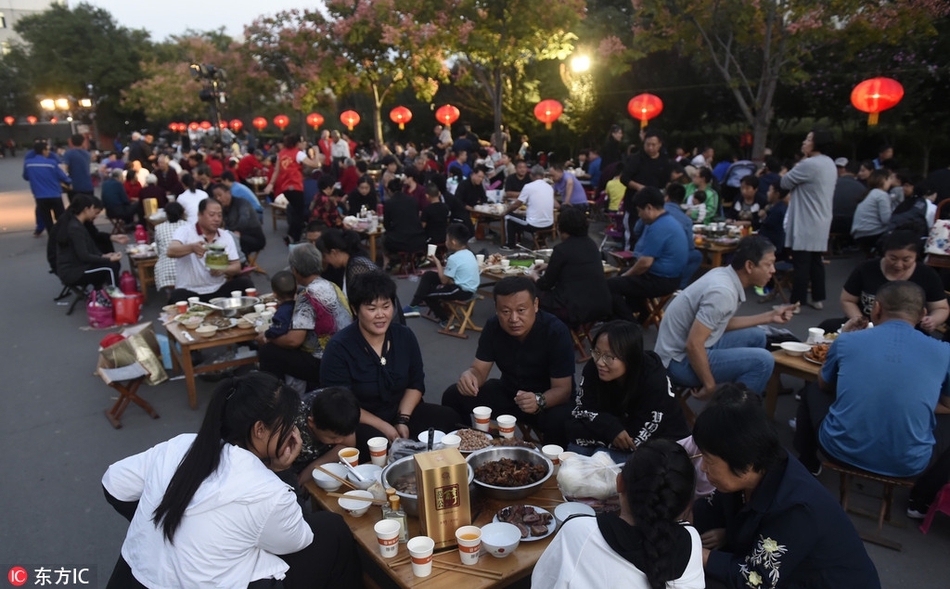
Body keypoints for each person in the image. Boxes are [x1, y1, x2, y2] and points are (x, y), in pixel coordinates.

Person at [101, 372, 363, 589]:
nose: (293, 433)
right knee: (331, 528)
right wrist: (282, 471)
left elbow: (114, 483)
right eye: (287, 425)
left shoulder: (182, 444)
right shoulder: (266, 489)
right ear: (260, 429)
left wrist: (156, 521)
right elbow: (298, 541)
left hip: (133, 576)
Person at [692, 384, 880, 589]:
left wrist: (697, 554)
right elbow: (710, 510)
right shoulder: (756, 469)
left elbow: (755, 580)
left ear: (745, 463)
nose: (703, 467)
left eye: (709, 461)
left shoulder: (795, 508)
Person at [794, 282, 950, 507]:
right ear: (922, 314)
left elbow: (825, 385)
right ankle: (920, 500)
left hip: (838, 450)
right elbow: (947, 404)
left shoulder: (848, 340)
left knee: (812, 388)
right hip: (910, 465)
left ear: (876, 309)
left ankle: (807, 461)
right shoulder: (944, 352)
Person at [320, 271, 460, 454]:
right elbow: (341, 405)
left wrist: (402, 420)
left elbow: (415, 383)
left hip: (404, 410)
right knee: (378, 445)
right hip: (362, 419)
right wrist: (385, 426)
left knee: (448, 418)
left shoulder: (404, 336)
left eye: (386, 306)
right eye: (371, 309)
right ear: (355, 309)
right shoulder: (339, 347)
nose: (381, 315)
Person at [533, 439, 702, 589]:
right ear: (686, 504)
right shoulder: (692, 541)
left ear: (619, 482)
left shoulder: (579, 531)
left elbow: (543, 582)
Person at [441, 277, 576, 445]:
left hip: (547, 400)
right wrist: (470, 376)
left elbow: (563, 389)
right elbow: (479, 370)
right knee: (454, 395)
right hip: (510, 393)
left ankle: (550, 462)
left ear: (535, 305)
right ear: (496, 309)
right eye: (505, 311)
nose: (513, 319)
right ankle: (467, 446)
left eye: (521, 310)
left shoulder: (555, 331)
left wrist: (539, 400)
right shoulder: (493, 326)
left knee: (560, 419)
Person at [655, 236, 794, 397]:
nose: (773, 270)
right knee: (763, 361)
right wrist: (709, 385)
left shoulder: (724, 274)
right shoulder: (722, 292)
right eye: (768, 264)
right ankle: (734, 409)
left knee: (757, 336)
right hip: (677, 363)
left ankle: (738, 394)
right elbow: (693, 344)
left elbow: (718, 324)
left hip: (685, 349)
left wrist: (770, 316)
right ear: (749, 266)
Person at [567, 321, 690, 462]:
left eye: (609, 357)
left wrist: (600, 429)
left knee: (600, 458)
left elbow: (634, 440)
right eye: (597, 352)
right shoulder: (594, 369)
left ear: (630, 357)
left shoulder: (654, 381)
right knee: (575, 452)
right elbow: (581, 413)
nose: (600, 362)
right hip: (611, 432)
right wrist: (610, 428)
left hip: (660, 447)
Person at [817, 231, 948, 334]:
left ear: (916, 257)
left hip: (909, 333)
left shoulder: (927, 274)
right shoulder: (866, 269)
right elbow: (847, 300)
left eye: (906, 260)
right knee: (826, 328)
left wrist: (934, 320)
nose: (898, 265)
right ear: (885, 253)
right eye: (893, 258)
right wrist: (860, 321)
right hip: (865, 329)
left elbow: (941, 308)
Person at [259, 247, 352, 391]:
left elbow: (293, 341)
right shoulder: (331, 285)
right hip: (345, 353)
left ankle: (275, 397)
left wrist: (268, 338)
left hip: (325, 362)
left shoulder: (307, 296)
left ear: (295, 271)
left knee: (268, 352)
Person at [608, 187, 688, 322]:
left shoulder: (658, 227)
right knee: (625, 275)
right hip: (672, 277)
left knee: (611, 285)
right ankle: (642, 314)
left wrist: (627, 275)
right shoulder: (668, 221)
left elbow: (645, 263)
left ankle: (628, 322)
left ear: (649, 208)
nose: (639, 215)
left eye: (639, 211)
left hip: (662, 280)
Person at [781, 128, 837, 309]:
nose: (804, 142)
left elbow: (784, 182)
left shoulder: (809, 164)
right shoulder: (829, 163)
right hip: (822, 218)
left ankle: (796, 302)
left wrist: (799, 164)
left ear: (816, 143)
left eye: (808, 139)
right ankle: (817, 298)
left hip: (806, 220)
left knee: (801, 263)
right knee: (815, 261)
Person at [529, 206, 611, 326]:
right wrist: (548, 265)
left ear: (561, 227)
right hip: (600, 305)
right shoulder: (591, 244)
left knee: (530, 290)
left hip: (573, 310)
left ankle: (540, 330)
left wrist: (533, 276)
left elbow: (545, 284)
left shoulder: (561, 249)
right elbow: (577, 264)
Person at [166, 198, 253, 303]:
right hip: (191, 292)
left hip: (218, 289)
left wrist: (223, 269)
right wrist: (191, 248)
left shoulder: (226, 236)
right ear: (199, 215)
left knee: (244, 283)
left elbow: (237, 266)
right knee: (177, 296)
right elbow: (171, 251)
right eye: (212, 215)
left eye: (219, 215)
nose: (216, 219)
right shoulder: (185, 231)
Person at [403, 223, 480, 326]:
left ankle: (445, 320)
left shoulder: (454, 258)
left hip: (462, 291)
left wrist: (437, 262)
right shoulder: (469, 253)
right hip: (464, 285)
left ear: (453, 241)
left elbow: (444, 280)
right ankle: (414, 306)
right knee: (429, 275)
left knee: (427, 295)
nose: (445, 242)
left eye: (447, 239)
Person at [292, 387, 360, 484]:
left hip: (321, 463)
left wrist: (310, 470)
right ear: (311, 423)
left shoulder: (339, 406)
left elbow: (348, 445)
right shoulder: (292, 426)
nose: (340, 440)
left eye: (344, 435)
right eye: (333, 438)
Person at [53, 195, 122, 289]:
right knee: (110, 267)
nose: (94, 213)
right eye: (93, 209)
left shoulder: (77, 224)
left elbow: (89, 249)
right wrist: (107, 259)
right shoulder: (75, 228)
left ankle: (101, 291)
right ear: (86, 209)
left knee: (112, 264)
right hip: (74, 271)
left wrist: (103, 256)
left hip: (78, 267)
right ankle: (114, 294)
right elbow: (84, 256)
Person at [266, 134, 322, 243]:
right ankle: (293, 237)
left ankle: (292, 236)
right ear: (297, 143)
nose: (303, 144)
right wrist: (317, 152)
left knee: (295, 211)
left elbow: (276, 171)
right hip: (296, 186)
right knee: (299, 214)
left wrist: (271, 184)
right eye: (302, 142)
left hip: (285, 187)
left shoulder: (281, 153)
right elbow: (315, 165)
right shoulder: (298, 154)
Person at [502, 165, 558, 250]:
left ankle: (510, 245)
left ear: (531, 175)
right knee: (519, 218)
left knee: (508, 216)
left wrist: (505, 211)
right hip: (549, 224)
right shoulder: (549, 187)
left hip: (533, 225)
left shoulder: (528, 186)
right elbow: (556, 205)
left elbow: (517, 205)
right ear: (543, 175)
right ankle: (540, 242)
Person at [24, 140, 71, 240]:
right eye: (48, 150)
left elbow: (26, 176)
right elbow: (62, 176)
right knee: (60, 217)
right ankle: (64, 236)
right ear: (43, 151)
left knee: (47, 219)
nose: (49, 152)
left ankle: (52, 237)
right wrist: (69, 182)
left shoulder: (28, 163)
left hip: (40, 195)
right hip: (55, 194)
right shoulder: (51, 163)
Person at [212, 183, 266, 258]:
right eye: (215, 197)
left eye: (220, 195)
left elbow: (244, 218)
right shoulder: (223, 208)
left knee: (230, 243)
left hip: (254, 238)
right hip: (236, 236)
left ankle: (240, 262)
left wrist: (237, 231)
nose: (218, 198)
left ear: (228, 193)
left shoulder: (241, 202)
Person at [383, 178, 427, 262]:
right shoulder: (413, 200)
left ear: (389, 190)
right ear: (402, 189)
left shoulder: (389, 203)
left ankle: (389, 262)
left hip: (400, 242)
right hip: (418, 239)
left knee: (384, 239)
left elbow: (386, 225)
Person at [850, 168, 894, 253]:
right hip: (872, 233)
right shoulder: (881, 195)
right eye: (889, 179)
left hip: (859, 233)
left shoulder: (870, 193)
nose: (891, 182)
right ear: (884, 180)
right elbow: (886, 220)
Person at [153, 201, 188, 296]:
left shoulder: (158, 228)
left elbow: (158, 250)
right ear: (182, 213)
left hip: (167, 271)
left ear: (166, 214)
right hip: (186, 270)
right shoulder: (188, 226)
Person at [63, 134, 93, 202]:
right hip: (88, 186)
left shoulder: (68, 154)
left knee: (76, 207)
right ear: (83, 142)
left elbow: (64, 168)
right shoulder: (87, 154)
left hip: (74, 186)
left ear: (72, 142)